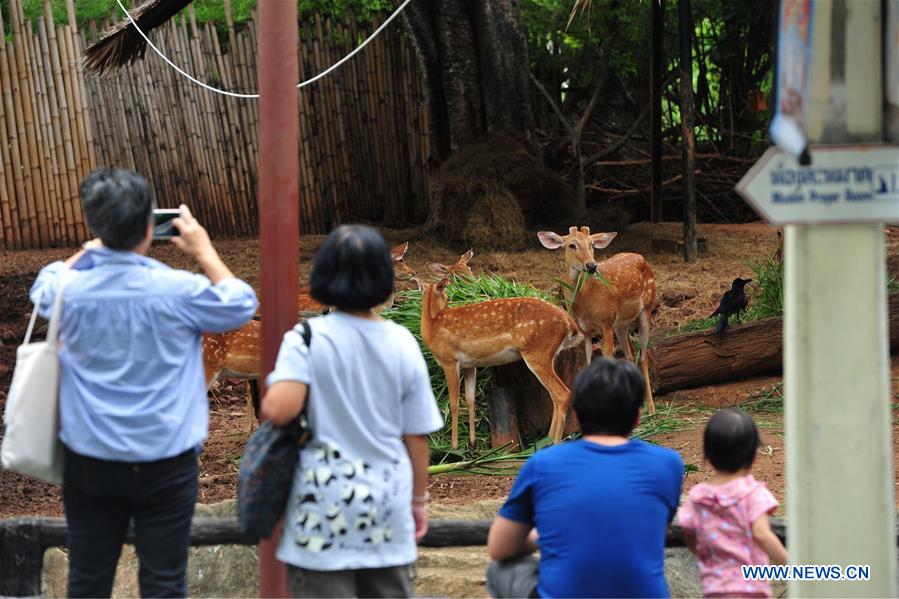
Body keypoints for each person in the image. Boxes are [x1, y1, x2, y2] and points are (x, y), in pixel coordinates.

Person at [29, 168, 258, 598]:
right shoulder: (180, 290)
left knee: (88, 580)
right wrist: (204, 250)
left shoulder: (68, 291)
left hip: (89, 460)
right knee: (165, 581)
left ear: (94, 224)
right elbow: (241, 303)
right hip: (167, 461)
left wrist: (92, 248)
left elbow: (45, 284)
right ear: (149, 225)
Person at [261, 224, 443, 598]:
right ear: (384, 279)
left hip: (321, 509)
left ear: (322, 276)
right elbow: (418, 436)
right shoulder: (402, 341)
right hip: (386, 508)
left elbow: (279, 411)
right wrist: (418, 504)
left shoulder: (306, 338)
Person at [485, 358, 684, 598]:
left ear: (576, 416)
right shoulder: (668, 464)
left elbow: (499, 548)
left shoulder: (543, 464)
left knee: (500, 570)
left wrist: (544, 535)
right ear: (637, 417)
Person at [678, 408, 788, 598]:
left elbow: (688, 532)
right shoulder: (753, 494)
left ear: (708, 458)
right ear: (755, 455)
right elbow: (762, 534)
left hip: (715, 589)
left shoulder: (698, 496)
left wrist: (706, 556)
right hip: (750, 590)